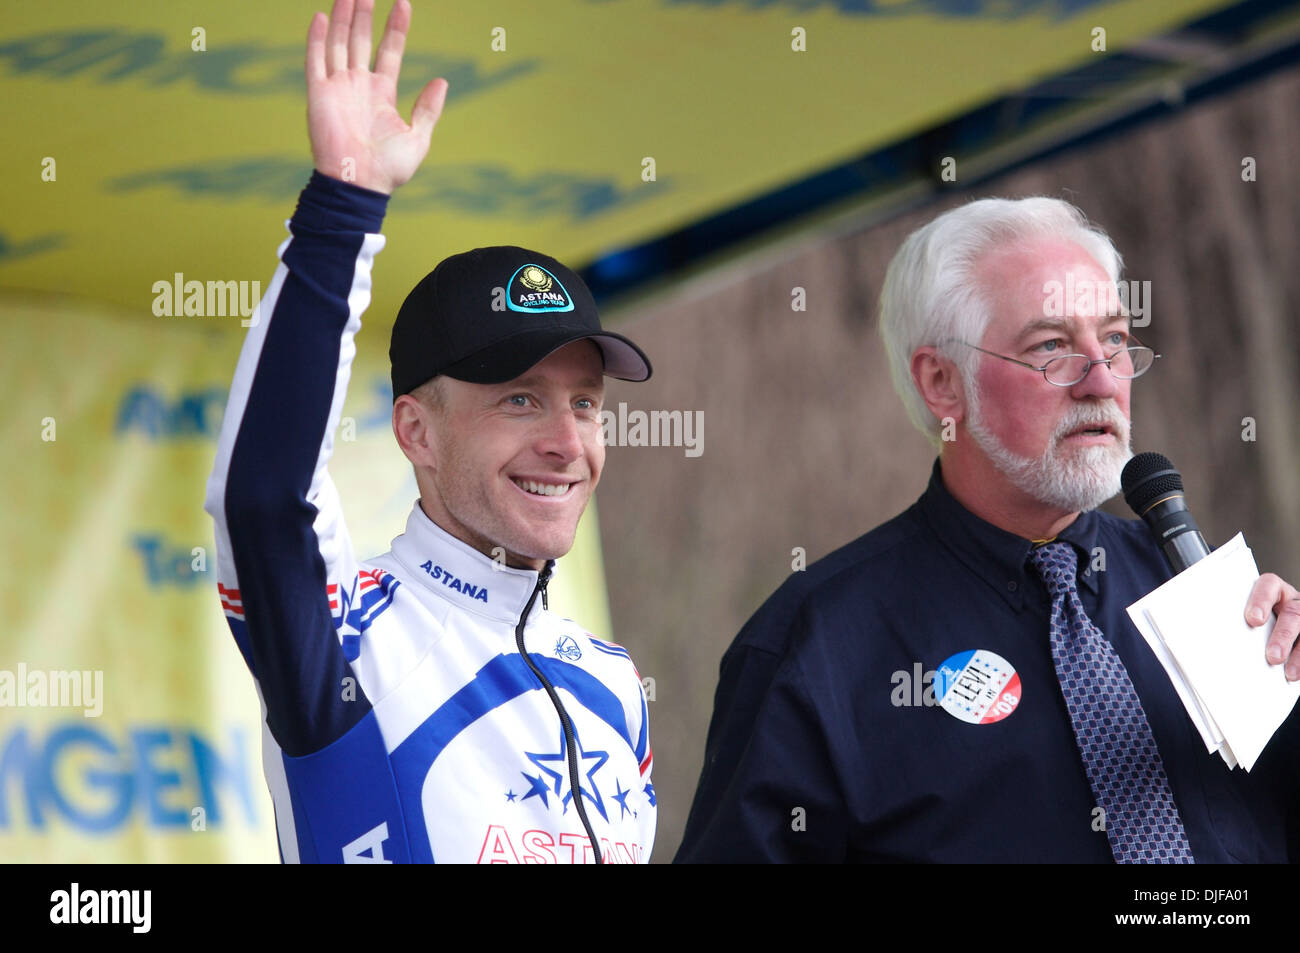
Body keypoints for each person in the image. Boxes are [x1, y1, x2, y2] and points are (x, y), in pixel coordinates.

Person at [675, 196, 1300, 863]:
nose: (1101, 380)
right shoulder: (814, 646)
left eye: (1115, 339)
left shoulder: (1205, 593)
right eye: (1053, 346)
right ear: (943, 382)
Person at [204, 0, 655, 864]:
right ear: (415, 429)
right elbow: (263, 500)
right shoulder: (353, 631)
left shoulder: (614, 682)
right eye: (520, 399)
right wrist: (343, 212)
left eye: (586, 403)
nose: (568, 441)